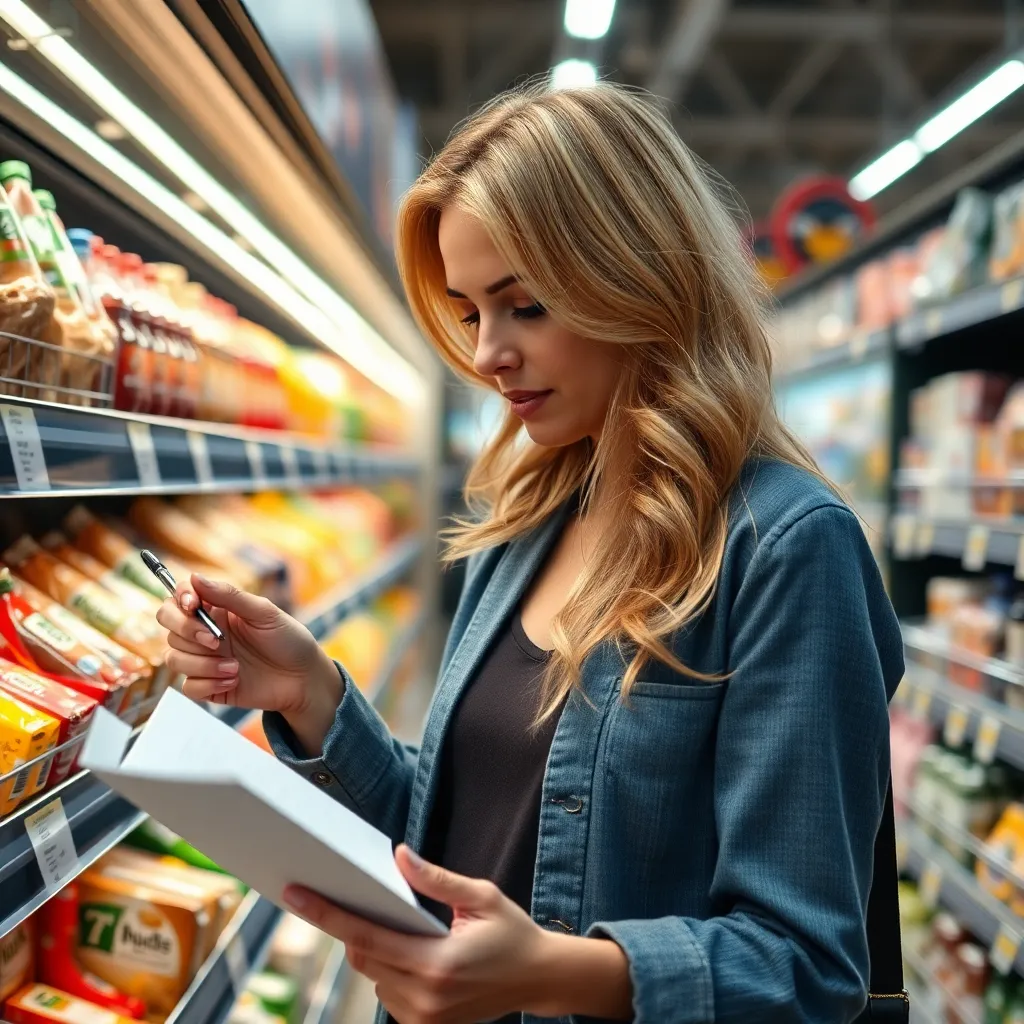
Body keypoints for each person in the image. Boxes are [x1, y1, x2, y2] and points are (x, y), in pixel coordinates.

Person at [157, 81, 903, 1024]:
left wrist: (552, 973)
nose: (487, 354)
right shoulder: (526, 521)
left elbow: (806, 963)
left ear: (637, 277)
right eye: (470, 313)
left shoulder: (787, 550)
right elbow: (462, 844)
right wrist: (313, 698)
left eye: (527, 306)